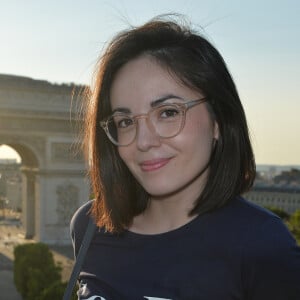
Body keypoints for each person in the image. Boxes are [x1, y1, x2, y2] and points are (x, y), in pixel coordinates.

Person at [70, 16, 300, 300]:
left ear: (218, 120)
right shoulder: (89, 225)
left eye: (168, 112)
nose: (143, 141)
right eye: (125, 121)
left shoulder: (263, 246)